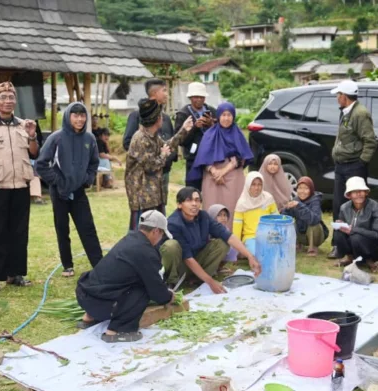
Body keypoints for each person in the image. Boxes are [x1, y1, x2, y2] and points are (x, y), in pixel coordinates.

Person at [0, 82, 39, 293]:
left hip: (20, 184)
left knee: (19, 232)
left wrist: (32, 135)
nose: (8, 100)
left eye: (11, 96)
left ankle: (16, 273)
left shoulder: (25, 124)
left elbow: (34, 153)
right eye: (3, 97)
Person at [75, 210, 175, 343]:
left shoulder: (129, 238)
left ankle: (88, 318)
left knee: (111, 280)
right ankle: (116, 331)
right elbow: (156, 290)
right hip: (101, 304)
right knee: (143, 290)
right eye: (162, 234)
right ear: (156, 231)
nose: (160, 239)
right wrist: (168, 296)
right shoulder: (146, 252)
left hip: (85, 296)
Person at [36, 102, 103, 278]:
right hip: (59, 191)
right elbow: (41, 165)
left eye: (82, 116)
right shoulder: (56, 138)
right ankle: (67, 265)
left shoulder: (90, 139)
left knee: (87, 227)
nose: (80, 119)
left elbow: (94, 163)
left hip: (79, 191)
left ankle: (100, 265)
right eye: (75, 115)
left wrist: (87, 180)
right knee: (62, 228)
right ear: (68, 117)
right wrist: (57, 181)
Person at [161, 187, 261, 294]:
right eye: (189, 200)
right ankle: (172, 282)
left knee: (222, 243)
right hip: (180, 265)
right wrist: (211, 282)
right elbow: (187, 258)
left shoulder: (203, 216)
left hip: (197, 259)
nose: (194, 204)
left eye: (197, 200)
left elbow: (227, 235)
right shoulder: (173, 223)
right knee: (170, 246)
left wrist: (250, 256)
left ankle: (199, 278)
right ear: (179, 204)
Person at [327, 80, 378, 259]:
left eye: (338, 95)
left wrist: (361, 163)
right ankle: (338, 244)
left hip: (354, 165)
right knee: (338, 204)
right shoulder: (345, 112)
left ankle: (358, 242)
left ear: (344, 96)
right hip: (341, 165)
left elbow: (370, 141)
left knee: (356, 204)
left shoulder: (360, 113)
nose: (336, 98)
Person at [125, 99, 193, 230]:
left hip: (154, 194)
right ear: (157, 119)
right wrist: (163, 156)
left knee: (156, 231)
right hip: (142, 197)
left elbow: (167, 146)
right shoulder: (140, 139)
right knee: (140, 233)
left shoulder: (152, 135)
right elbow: (150, 166)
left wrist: (184, 130)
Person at [187, 102, 251, 230]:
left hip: (233, 176)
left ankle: (233, 241)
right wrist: (214, 171)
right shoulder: (209, 134)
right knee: (212, 207)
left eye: (229, 115)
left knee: (233, 207)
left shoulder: (237, 134)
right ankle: (212, 241)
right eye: (223, 115)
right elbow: (202, 158)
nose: (226, 118)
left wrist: (223, 172)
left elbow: (242, 157)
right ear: (218, 116)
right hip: (212, 177)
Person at [123, 79, 176, 204]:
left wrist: (168, 157)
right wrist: (151, 155)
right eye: (164, 91)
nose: (167, 94)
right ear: (154, 93)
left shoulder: (166, 118)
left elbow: (169, 141)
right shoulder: (137, 116)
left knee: (160, 211)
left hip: (164, 172)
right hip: (144, 177)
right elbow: (127, 142)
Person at [174, 82, 217, 190]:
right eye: (196, 97)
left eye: (202, 97)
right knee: (193, 189)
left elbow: (221, 133)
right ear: (190, 97)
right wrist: (195, 128)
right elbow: (180, 141)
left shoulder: (212, 111)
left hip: (212, 157)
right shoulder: (182, 114)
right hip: (193, 158)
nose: (199, 100)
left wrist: (211, 125)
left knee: (211, 189)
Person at [334, 177, 378, 268]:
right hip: (353, 243)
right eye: (355, 192)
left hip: (370, 246)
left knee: (356, 237)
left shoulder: (375, 207)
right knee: (338, 233)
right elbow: (345, 231)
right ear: (349, 195)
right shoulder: (344, 208)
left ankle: (368, 259)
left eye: (361, 191)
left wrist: (354, 230)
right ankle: (350, 257)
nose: (359, 194)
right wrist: (341, 226)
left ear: (366, 192)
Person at [233, 171, 279, 255]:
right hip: (251, 237)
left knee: (276, 252)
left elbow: (277, 219)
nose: (257, 188)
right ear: (248, 185)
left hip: (269, 235)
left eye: (259, 184)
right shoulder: (242, 204)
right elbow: (237, 230)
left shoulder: (268, 199)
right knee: (258, 254)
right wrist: (236, 251)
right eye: (253, 184)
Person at [282, 176, 328, 256]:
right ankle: (297, 244)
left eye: (306, 188)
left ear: (311, 189)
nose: (302, 191)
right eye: (300, 188)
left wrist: (300, 206)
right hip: (301, 234)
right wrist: (287, 209)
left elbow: (315, 219)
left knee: (314, 225)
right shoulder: (296, 199)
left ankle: (313, 247)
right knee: (290, 222)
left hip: (316, 236)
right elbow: (284, 218)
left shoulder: (315, 200)